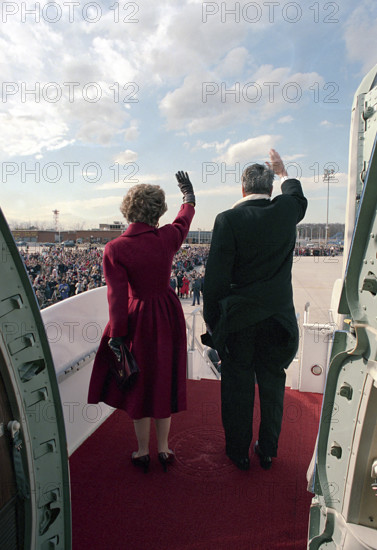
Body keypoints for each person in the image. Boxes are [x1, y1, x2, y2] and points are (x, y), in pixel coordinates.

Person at [203, 149, 307, 471]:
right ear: (271, 187)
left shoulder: (228, 220)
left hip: (240, 322)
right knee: (273, 384)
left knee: (238, 385)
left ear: (242, 189)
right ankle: (267, 449)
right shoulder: (286, 211)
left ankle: (238, 451)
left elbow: (215, 281)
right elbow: (296, 196)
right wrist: (283, 171)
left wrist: (214, 324)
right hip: (278, 321)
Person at [88, 173, 195, 473]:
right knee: (163, 379)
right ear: (157, 211)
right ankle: (164, 449)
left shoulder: (115, 249)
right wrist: (188, 196)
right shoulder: (167, 238)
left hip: (138, 319)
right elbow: (183, 221)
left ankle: (141, 452)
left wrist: (117, 335)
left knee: (139, 383)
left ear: (128, 211)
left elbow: (117, 298)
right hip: (168, 314)